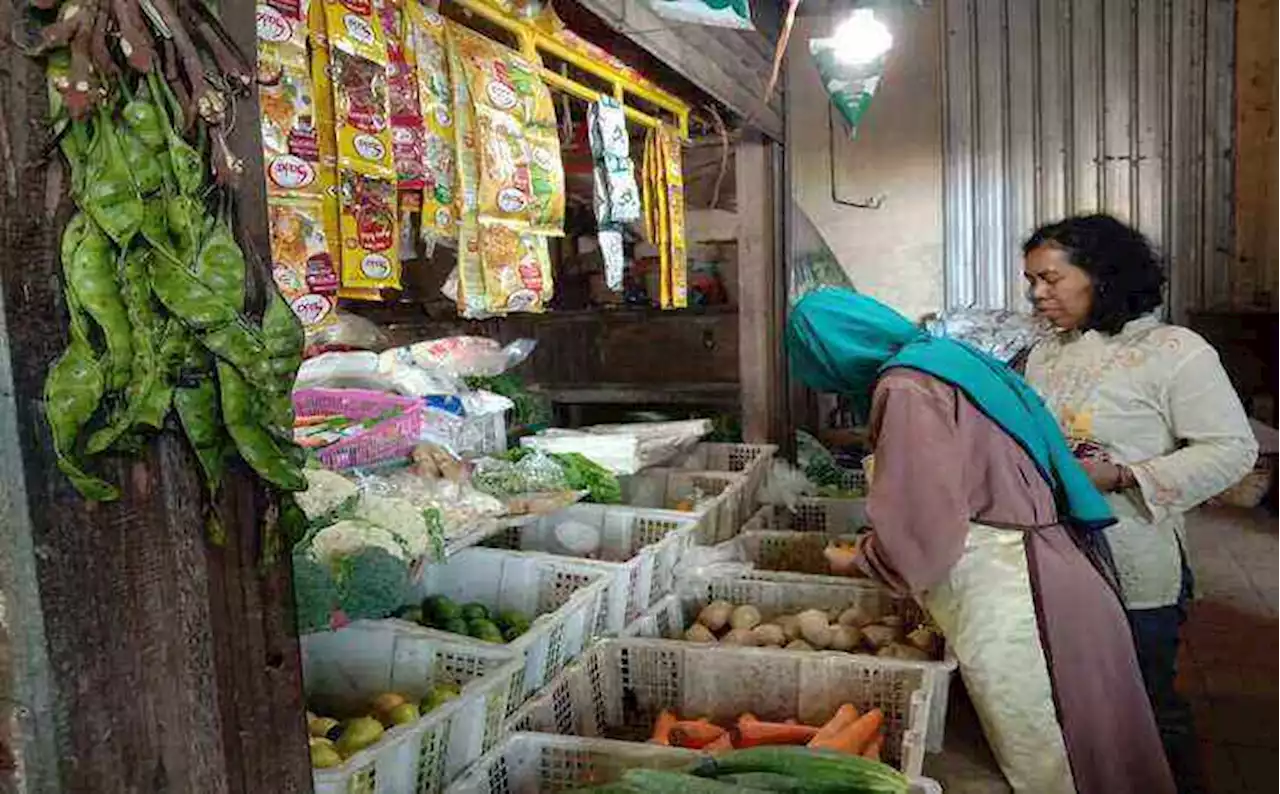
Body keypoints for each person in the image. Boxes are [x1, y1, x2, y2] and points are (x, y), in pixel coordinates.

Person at [788, 288, 1174, 794]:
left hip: (1014, 587)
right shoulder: (944, 357)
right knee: (1094, 750)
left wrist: (865, 558)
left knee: (1052, 761)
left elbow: (924, 524)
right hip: (1053, 562)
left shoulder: (906, 386)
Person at [1021, 215, 1258, 793]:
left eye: (1050, 279)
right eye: (1031, 281)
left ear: (1100, 276)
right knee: (1075, 703)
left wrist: (1124, 474)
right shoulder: (1045, 353)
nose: (1036, 294)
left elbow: (1232, 449)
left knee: (1146, 705)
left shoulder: (1173, 350)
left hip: (1135, 564)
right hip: (1059, 559)